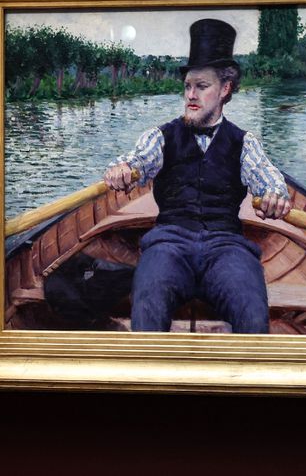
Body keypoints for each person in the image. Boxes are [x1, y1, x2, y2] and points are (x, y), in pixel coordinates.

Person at [104, 19, 291, 334]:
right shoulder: (160, 136)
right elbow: (135, 162)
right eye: (188, 86)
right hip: (169, 244)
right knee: (148, 301)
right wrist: (122, 169)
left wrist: (275, 198)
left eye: (201, 86)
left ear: (225, 89)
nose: (191, 95)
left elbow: (271, 183)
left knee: (252, 308)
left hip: (227, 247)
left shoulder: (244, 142)